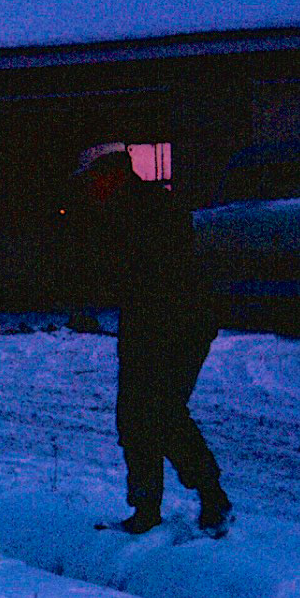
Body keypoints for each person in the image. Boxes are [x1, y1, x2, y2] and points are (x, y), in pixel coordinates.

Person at [73, 143, 232, 537]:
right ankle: (148, 505)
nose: (90, 187)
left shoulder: (149, 210)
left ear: (112, 173)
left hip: (178, 323)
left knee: (161, 413)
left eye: (93, 178)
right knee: (139, 415)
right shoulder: (121, 211)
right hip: (149, 322)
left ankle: (211, 497)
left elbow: (156, 272)